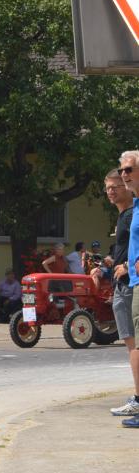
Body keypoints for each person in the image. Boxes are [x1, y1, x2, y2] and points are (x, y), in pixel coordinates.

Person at [102, 164, 139, 417]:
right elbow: (127, 250)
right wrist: (108, 265)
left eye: (115, 187)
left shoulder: (132, 214)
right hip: (123, 283)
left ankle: (137, 399)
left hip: (128, 286)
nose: (111, 191)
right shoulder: (125, 215)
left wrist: (125, 266)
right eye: (108, 188)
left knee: (132, 344)